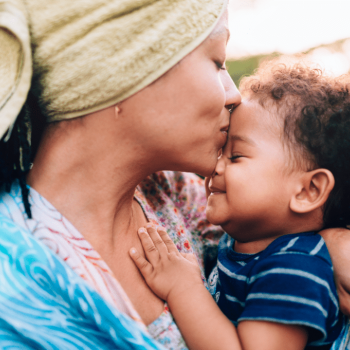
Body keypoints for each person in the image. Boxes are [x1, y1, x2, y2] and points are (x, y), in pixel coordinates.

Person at [0, 0, 241, 348]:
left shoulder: (173, 192)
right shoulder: (13, 290)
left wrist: (333, 245)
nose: (234, 94)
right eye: (217, 62)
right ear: (125, 70)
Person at [130, 59, 350, 350]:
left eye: (236, 157)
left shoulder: (294, 268)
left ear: (308, 191)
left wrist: (183, 288)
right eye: (222, 153)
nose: (215, 167)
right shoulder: (247, 242)